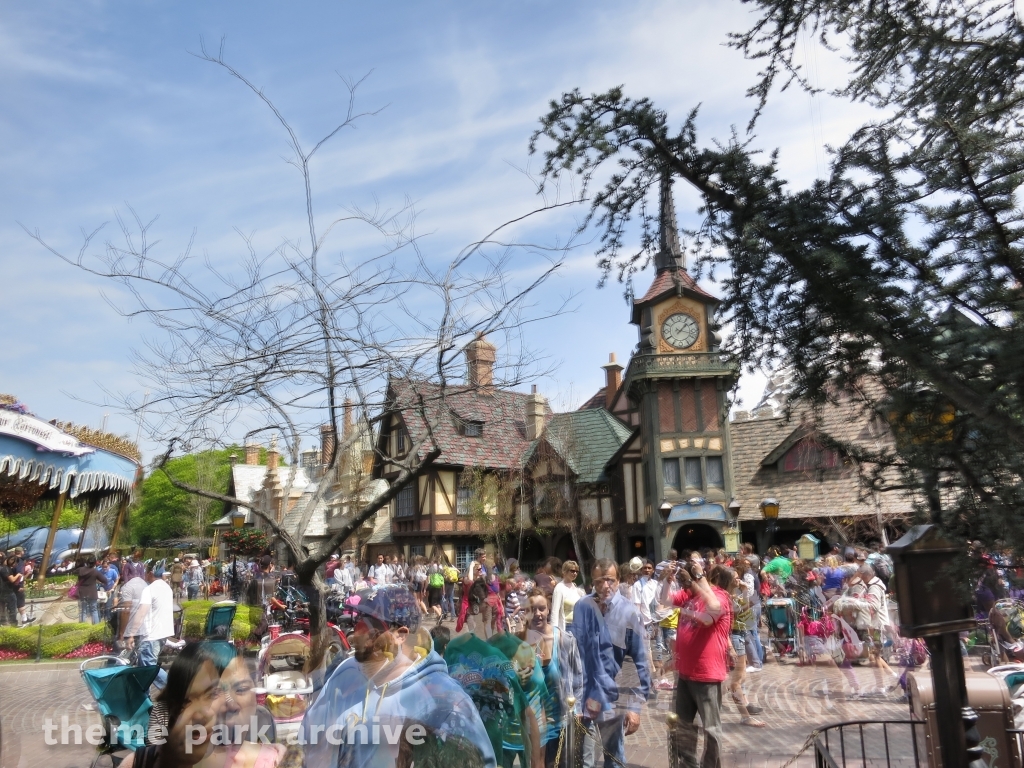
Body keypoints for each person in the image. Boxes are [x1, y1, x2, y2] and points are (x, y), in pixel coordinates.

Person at [302, 584, 496, 768]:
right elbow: (313, 734)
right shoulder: (345, 674)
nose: (355, 634)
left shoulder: (445, 702)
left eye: (369, 626)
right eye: (357, 620)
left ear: (400, 635)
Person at [126, 641, 285, 768]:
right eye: (214, 693)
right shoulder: (139, 762)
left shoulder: (274, 760)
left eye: (242, 689)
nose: (231, 705)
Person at [571, 558, 651, 768]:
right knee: (582, 761)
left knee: (614, 759)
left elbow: (638, 661)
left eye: (610, 580)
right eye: (599, 581)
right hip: (584, 697)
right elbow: (574, 654)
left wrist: (634, 707)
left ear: (618, 581)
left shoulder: (628, 612)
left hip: (613, 700)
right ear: (591, 582)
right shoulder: (582, 607)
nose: (605, 586)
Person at [659, 558, 731, 768]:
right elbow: (665, 601)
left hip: (707, 674)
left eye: (703, 573)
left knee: (711, 728)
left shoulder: (719, 596)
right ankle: (687, 765)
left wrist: (696, 580)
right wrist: (667, 580)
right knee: (683, 726)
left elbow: (713, 611)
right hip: (685, 673)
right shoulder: (691, 595)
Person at [522, 589, 584, 768]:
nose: (537, 614)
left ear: (549, 610)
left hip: (561, 716)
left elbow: (578, 676)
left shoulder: (565, 640)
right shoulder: (521, 642)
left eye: (542, 609)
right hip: (533, 719)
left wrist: (577, 708)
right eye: (532, 609)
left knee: (562, 763)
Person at [722, 568, 765, 727]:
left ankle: (745, 703)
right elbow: (738, 611)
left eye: (738, 577)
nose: (738, 580)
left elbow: (748, 605)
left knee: (740, 677)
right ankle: (745, 715)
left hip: (741, 633)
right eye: (735, 578)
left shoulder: (733, 595)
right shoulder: (725, 597)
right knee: (736, 680)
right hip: (734, 635)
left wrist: (745, 591)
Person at [123, 563, 176, 691]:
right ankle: (142, 696)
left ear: (151, 573)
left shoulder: (149, 589)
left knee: (149, 667)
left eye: (146, 572)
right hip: (163, 633)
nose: (145, 575)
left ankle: (174, 691)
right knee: (143, 668)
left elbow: (141, 613)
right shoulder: (167, 588)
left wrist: (131, 634)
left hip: (151, 635)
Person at [550, 560, 584, 632]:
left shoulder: (575, 587)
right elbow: (555, 611)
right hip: (566, 626)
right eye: (572, 571)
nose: (575, 573)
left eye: (576, 571)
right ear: (564, 571)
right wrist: (554, 631)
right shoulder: (559, 588)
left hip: (578, 625)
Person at [75, 553, 103, 625]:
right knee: (94, 610)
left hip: (83, 592)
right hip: (92, 592)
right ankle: (96, 625)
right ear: (94, 563)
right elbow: (104, 580)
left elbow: (77, 576)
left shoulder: (81, 570)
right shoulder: (95, 571)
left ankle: (83, 625)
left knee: (83, 610)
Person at [0, 555, 18, 626]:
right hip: (7, 592)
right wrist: (18, 575)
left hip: (3, 591)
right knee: (12, 609)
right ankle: (13, 624)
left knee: (2, 608)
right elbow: (12, 579)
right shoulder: (5, 569)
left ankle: (3, 622)